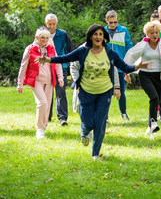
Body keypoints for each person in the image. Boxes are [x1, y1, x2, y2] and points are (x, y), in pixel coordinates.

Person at [37, 24, 150, 160]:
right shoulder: (83, 51)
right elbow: (65, 58)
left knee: (100, 123)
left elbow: (124, 66)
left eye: (101, 34)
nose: (98, 37)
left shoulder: (110, 53)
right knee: (88, 123)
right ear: (90, 36)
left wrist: (137, 66)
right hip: (86, 91)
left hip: (105, 92)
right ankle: (84, 131)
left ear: (104, 37)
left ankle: (95, 153)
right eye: (95, 34)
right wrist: (48, 59)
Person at [124, 21, 161, 136]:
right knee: (154, 97)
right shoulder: (143, 44)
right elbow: (131, 55)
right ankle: (153, 122)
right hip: (145, 75)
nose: (154, 35)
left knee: (156, 100)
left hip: (160, 75)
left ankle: (150, 127)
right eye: (152, 33)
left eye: (156, 32)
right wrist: (127, 72)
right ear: (147, 34)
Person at [17, 26, 64, 138]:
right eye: (42, 37)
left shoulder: (51, 48)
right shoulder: (30, 49)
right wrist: (20, 83)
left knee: (47, 106)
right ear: (36, 37)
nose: (44, 40)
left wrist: (60, 77)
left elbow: (57, 63)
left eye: (47, 38)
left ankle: (43, 126)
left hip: (49, 81)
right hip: (36, 80)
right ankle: (39, 129)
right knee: (42, 103)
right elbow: (23, 66)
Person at [44, 13, 73, 126]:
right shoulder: (42, 34)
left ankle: (62, 118)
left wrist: (69, 65)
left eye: (53, 24)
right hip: (46, 69)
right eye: (49, 24)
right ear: (46, 23)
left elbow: (70, 51)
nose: (51, 26)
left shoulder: (63, 34)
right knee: (47, 93)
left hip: (61, 67)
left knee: (61, 92)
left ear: (57, 23)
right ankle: (48, 117)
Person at [104, 10, 133, 121]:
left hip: (119, 66)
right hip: (106, 66)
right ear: (107, 21)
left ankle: (124, 113)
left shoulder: (123, 30)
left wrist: (127, 69)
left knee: (121, 91)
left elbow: (128, 48)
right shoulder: (102, 31)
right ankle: (105, 116)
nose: (113, 25)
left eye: (115, 22)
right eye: (111, 22)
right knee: (105, 93)